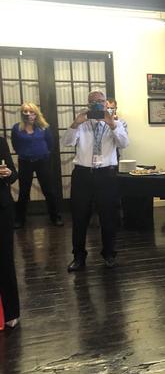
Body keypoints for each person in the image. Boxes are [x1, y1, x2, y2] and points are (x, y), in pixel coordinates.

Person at [63, 90, 129, 272]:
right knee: (79, 217)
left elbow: (124, 144)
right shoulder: (82, 123)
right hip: (82, 174)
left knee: (109, 217)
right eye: (93, 102)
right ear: (88, 104)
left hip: (106, 175)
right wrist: (75, 123)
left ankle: (109, 254)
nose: (97, 104)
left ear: (106, 103)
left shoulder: (118, 122)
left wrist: (112, 124)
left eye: (101, 101)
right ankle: (78, 257)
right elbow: (67, 142)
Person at [11, 102, 63, 228]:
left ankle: (55, 217)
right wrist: (25, 153)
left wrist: (43, 152)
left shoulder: (44, 127)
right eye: (25, 111)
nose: (28, 114)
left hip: (42, 162)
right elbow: (15, 145)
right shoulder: (17, 128)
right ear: (22, 113)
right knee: (24, 191)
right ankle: (20, 219)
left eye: (31, 111)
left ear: (36, 113)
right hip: (25, 162)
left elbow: (50, 144)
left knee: (49, 190)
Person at [0, 135, 20, 328]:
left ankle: (11, 311)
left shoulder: (0, 141)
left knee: (5, 258)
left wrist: (7, 173)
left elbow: (14, 174)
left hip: (2, 206)